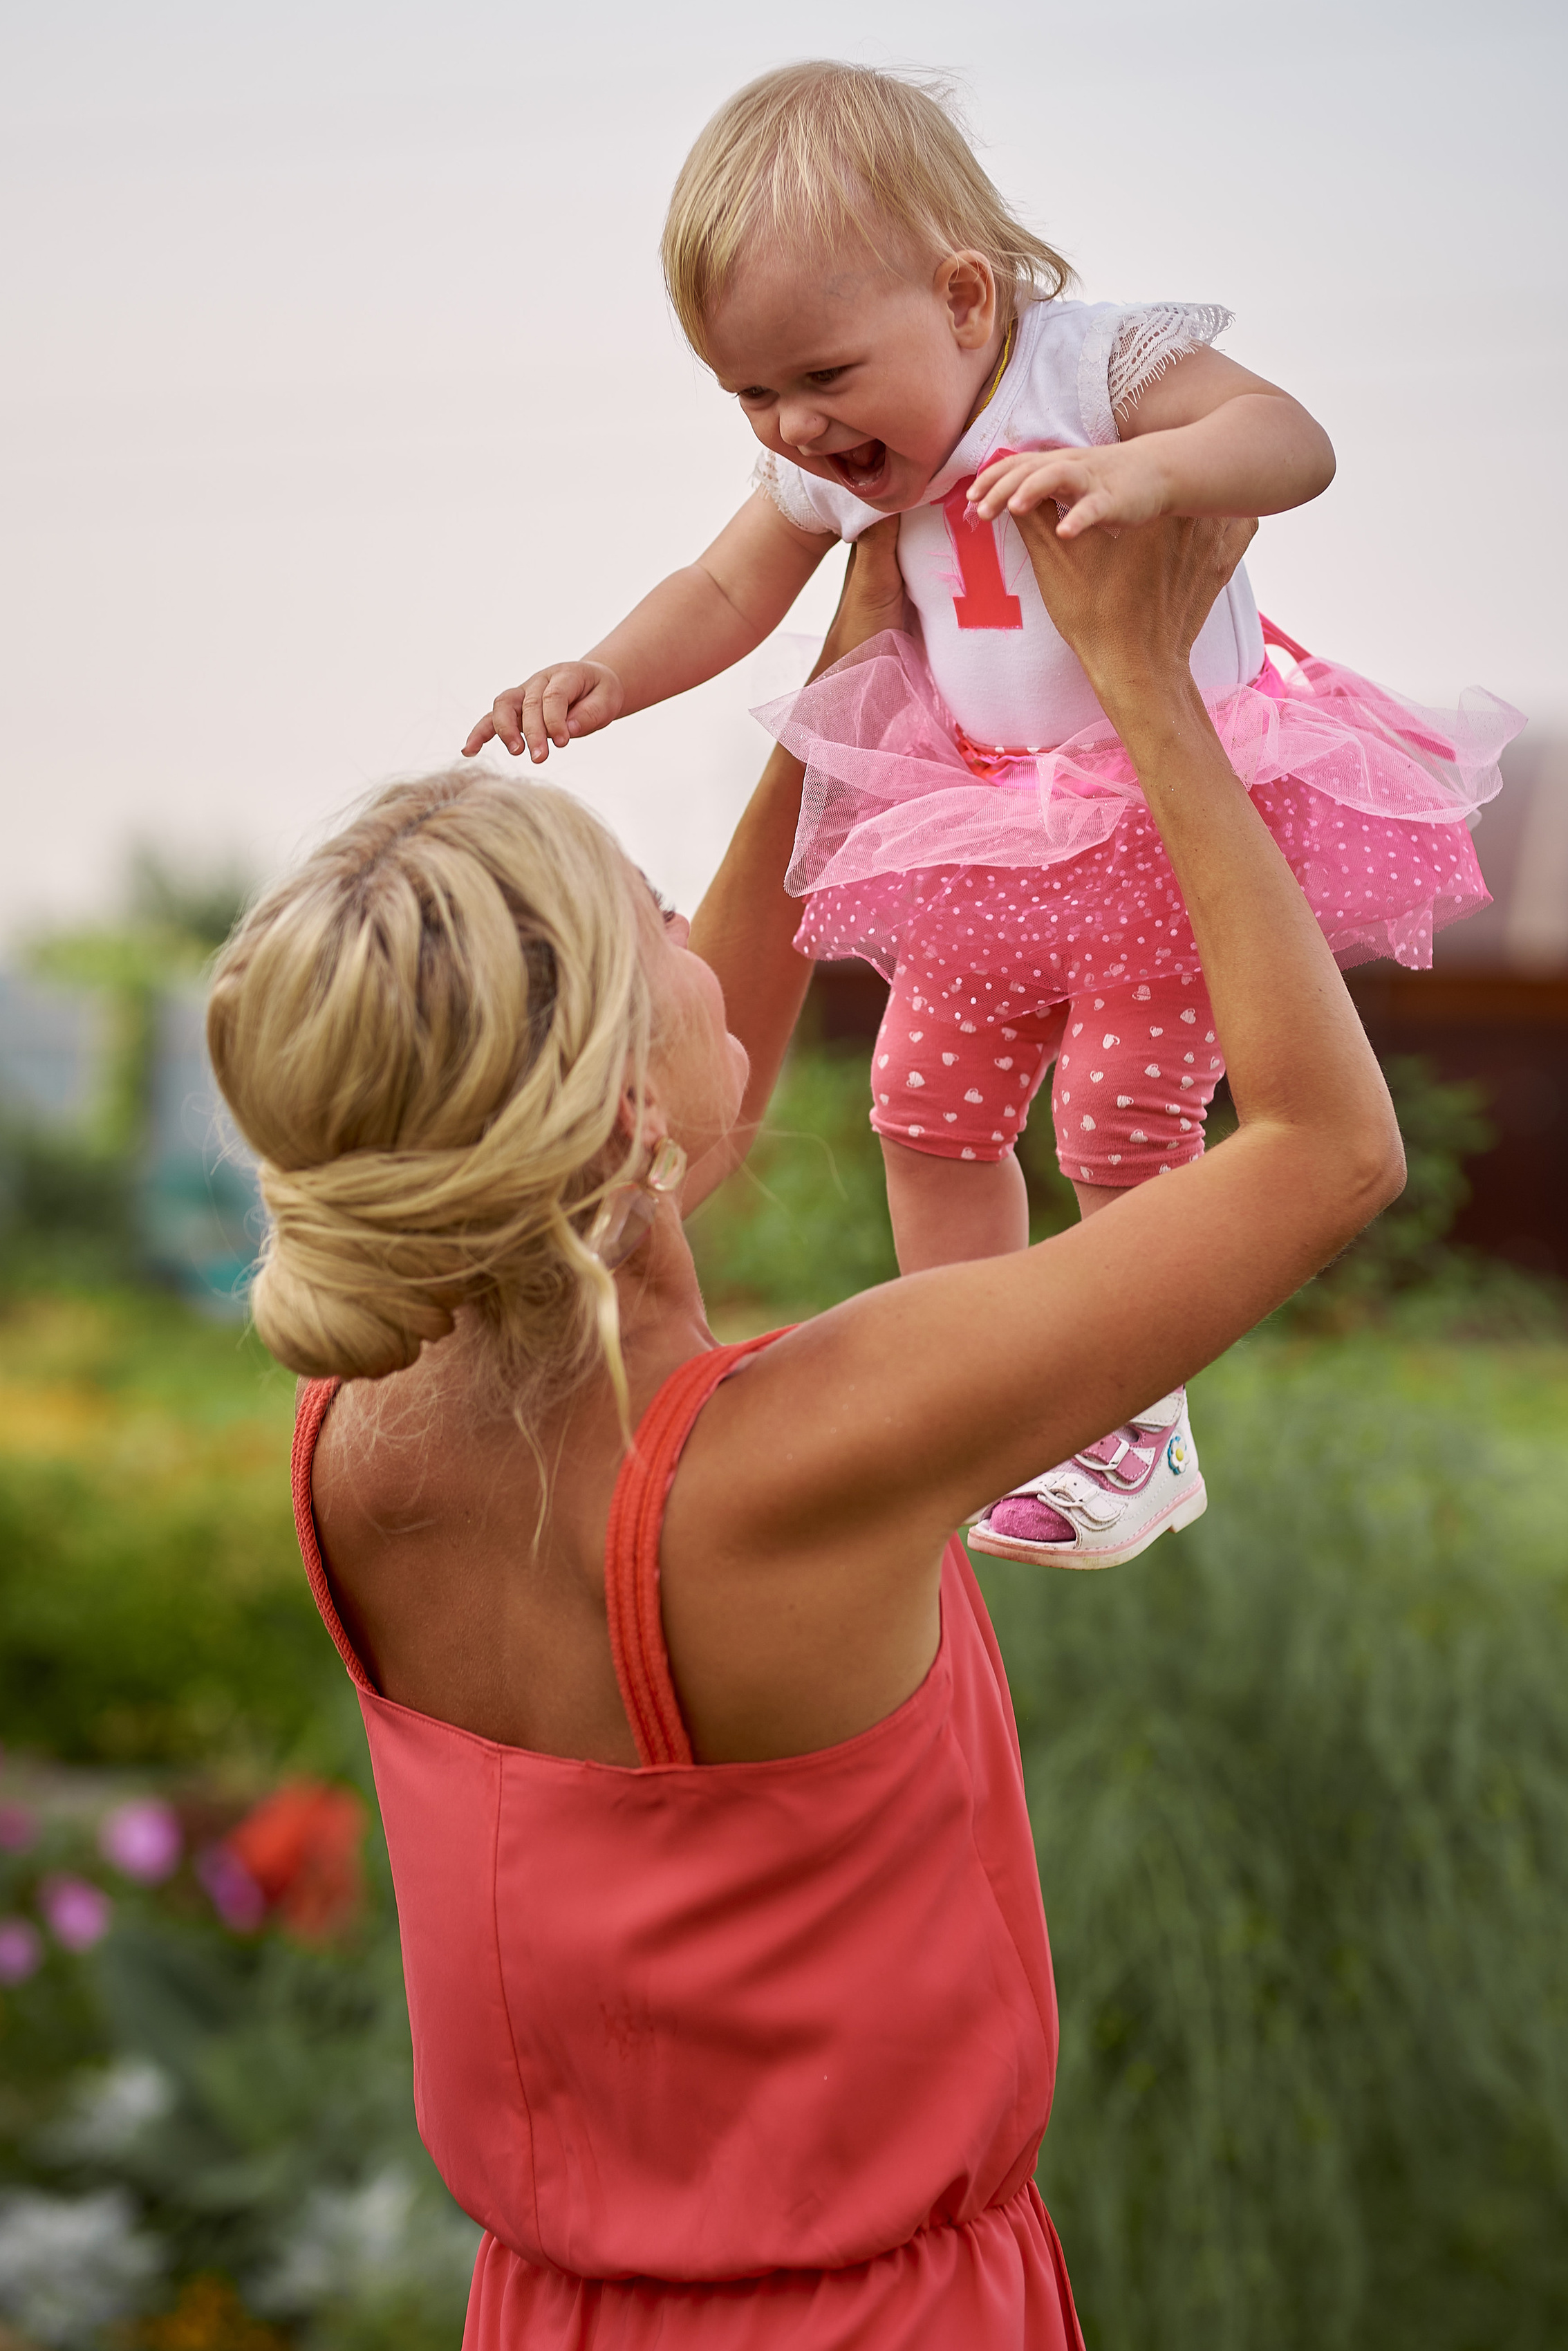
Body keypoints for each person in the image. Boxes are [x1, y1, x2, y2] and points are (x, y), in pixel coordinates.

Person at [208, 505, 1404, 2348]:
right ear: (621, 1116)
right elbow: (1325, 1152)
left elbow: (681, 1120)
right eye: (658, 922)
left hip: (550, 2313)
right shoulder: (801, 1454)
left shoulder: (360, 1430)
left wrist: (849, 671)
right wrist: (1152, 687)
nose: (704, 938)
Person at [462, 60, 1519, 1568]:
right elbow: (723, 586)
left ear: (963, 298)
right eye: (751, 394)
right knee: (924, 1100)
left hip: (1163, 821)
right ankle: (975, 1387)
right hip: (980, 826)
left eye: (822, 376)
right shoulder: (843, 462)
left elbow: (1291, 439)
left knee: (1120, 1110)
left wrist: (1146, 470)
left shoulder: (1089, 370)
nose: (793, 426)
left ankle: (1134, 1423)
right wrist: (605, 674)